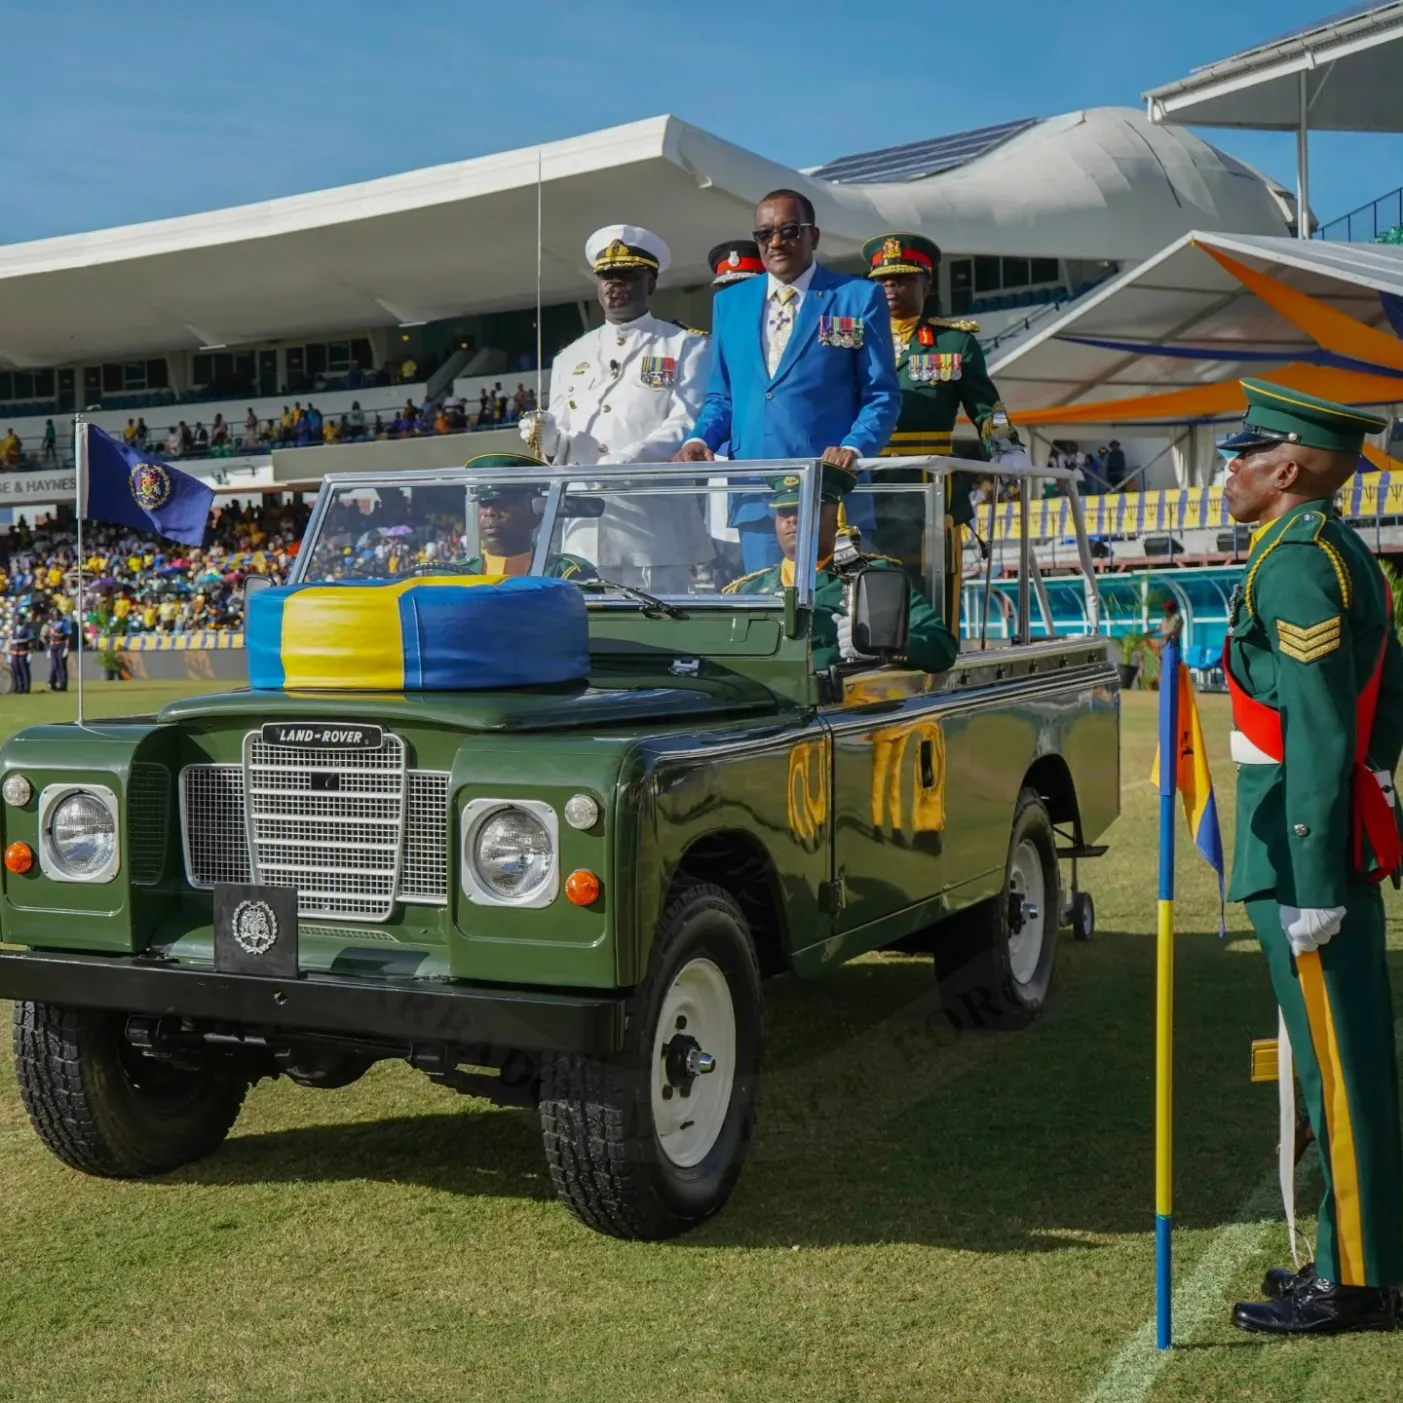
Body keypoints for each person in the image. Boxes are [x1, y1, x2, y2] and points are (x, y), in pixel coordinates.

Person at [1220, 379, 1403, 1337]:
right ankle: (1351, 1254)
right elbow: (1385, 702)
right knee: (1345, 1057)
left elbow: (1325, 723)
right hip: (1313, 828)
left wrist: (1317, 874)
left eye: (1240, 458)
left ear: (1285, 467)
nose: (1229, 474)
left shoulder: (1295, 563)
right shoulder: (1325, 549)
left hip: (1302, 846)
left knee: (1341, 1066)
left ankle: (1361, 1280)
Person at [677, 189, 901, 573]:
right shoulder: (730, 303)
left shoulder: (857, 297)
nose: (776, 242)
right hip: (754, 491)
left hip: (830, 491)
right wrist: (701, 439)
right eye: (764, 235)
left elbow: (881, 394)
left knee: (838, 616)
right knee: (766, 617)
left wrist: (854, 447)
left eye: (789, 231)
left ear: (814, 236)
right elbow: (723, 395)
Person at [521, 223, 714, 593]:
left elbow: (687, 420)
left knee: (658, 629)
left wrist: (631, 458)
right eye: (607, 277)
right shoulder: (570, 355)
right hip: (584, 526)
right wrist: (546, 441)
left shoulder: (684, 345)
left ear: (651, 283)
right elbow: (562, 440)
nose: (614, 285)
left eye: (626, 275)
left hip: (654, 524)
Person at [863, 231, 1028, 628]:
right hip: (865, 484)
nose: (891, 287)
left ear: (926, 283)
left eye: (901, 278)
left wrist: (1006, 447)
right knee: (867, 586)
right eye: (883, 280)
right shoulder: (854, 339)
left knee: (931, 590)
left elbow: (987, 407)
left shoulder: (953, 342)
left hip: (929, 489)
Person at [722, 462, 956, 674]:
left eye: (803, 510)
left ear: (837, 517)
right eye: (784, 513)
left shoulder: (872, 578)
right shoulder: (751, 590)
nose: (792, 520)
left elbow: (941, 647)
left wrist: (879, 645)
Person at [457, 453, 596, 579]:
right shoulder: (451, 575)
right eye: (484, 503)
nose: (489, 512)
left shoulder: (568, 575)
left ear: (534, 515)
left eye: (503, 502)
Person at [41, 608, 71, 692]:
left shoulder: (65, 623)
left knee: (62, 666)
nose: (56, 616)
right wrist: (48, 648)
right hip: (53, 646)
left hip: (61, 645)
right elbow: (46, 636)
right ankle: (51, 684)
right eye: (54, 615)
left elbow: (68, 637)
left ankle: (63, 685)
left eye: (57, 614)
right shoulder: (51, 624)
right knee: (54, 666)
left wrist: (66, 648)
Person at [8, 609, 34, 694]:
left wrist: (30, 653)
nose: (17, 620)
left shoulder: (27, 628)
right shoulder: (14, 628)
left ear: (22, 619)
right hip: (14, 652)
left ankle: (26, 688)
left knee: (24, 670)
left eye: (19, 619)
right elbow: (11, 639)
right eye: (16, 619)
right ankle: (18, 687)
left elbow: (31, 641)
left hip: (23, 651)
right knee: (16, 670)